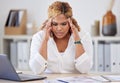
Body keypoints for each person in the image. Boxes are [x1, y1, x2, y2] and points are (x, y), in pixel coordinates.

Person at [29, 1, 93, 74]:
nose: (59, 28)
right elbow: (36, 70)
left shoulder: (84, 36)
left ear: (70, 22)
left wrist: (77, 39)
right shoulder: (39, 37)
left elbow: (85, 69)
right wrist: (45, 40)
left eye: (63, 24)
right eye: (55, 24)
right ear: (49, 23)